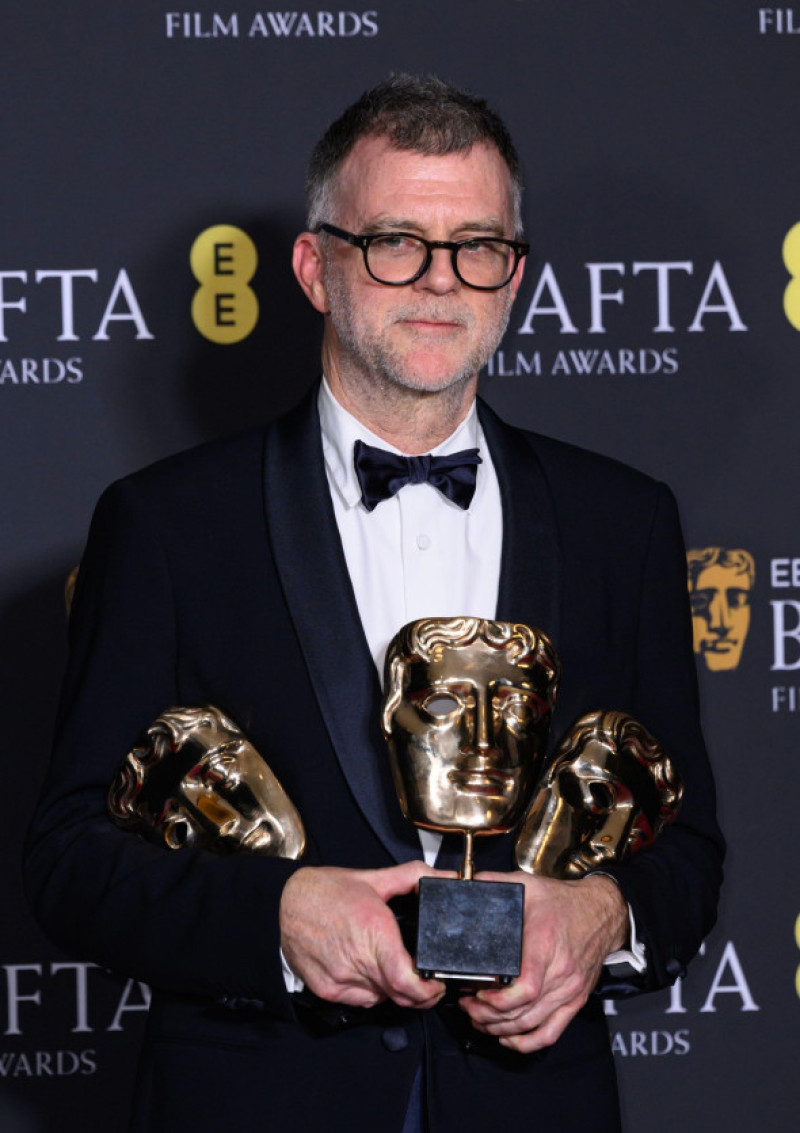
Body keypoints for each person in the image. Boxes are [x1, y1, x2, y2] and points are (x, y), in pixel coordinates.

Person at [25, 75, 724, 1132]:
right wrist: (278, 917)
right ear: (315, 267)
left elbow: (686, 846)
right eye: (394, 240)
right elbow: (70, 857)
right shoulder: (167, 523)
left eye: (475, 245)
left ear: (515, 275)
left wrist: (602, 913)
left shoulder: (619, 519)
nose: (438, 282)